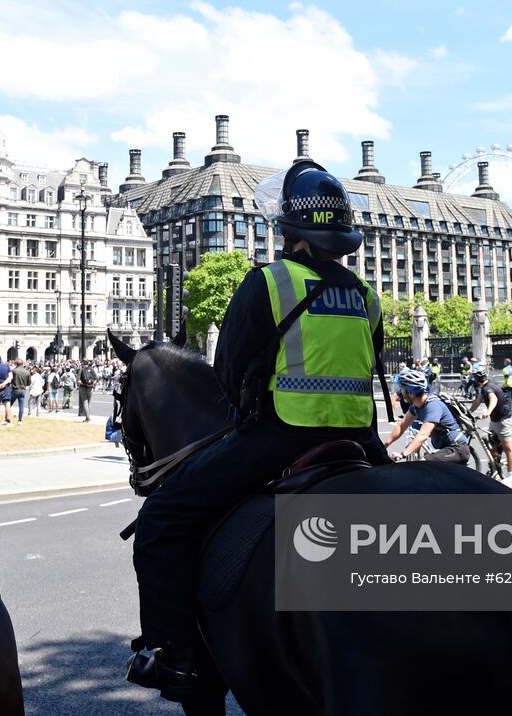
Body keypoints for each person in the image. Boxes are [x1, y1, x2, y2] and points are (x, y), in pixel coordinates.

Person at [127, 160, 391, 702]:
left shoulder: (268, 282)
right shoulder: (367, 296)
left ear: (289, 231)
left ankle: (173, 656)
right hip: (360, 440)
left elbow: (225, 380)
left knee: (162, 520)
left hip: (281, 438)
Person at [386, 367, 470, 464]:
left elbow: (423, 435)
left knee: (424, 463)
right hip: (443, 448)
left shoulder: (432, 406)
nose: (401, 392)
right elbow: (401, 426)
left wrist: (403, 454)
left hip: (456, 449)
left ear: (410, 392)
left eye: (402, 389)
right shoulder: (416, 406)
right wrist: (384, 446)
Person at [471, 364, 512, 486]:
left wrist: (488, 411)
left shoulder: (488, 388)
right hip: (495, 420)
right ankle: (495, 469)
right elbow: (477, 401)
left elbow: (493, 399)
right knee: (493, 445)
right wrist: (469, 413)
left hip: (503, 420)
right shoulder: (485, 387)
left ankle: (511, 477)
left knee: (508, 449)